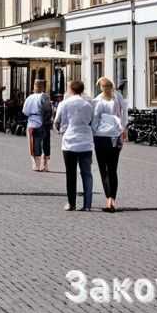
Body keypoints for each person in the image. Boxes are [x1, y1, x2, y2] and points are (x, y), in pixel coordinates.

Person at [54, 80, 95, 212]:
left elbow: (57, 121)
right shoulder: (88, 104)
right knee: (87, 173)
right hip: (86, 142)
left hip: (70, 143)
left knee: (71, 174)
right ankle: (87, 204)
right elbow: (92, 121)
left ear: (71, 89)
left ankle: (71, 203)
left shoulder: (64, 103)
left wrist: (60, 130)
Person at [91, 77, 127, 212]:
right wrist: (123, 130)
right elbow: (124, 116)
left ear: (101, 87)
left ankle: (108, 200)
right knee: (113, 169)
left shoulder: (98, 101)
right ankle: (113, 199)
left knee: (103, 169)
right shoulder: (118, 97)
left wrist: (93, 133)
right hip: (115, 136)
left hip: (101, 137)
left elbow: (95, 120)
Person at [21, 80, 51, 172]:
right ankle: (45, 164)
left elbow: (25, 111)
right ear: (43, 87)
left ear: (34, 86)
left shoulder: (29, 98)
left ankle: (35, 164)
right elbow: (48, 109)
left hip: (31, 122)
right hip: (42, 121)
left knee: (33, 143)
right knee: (45, 143)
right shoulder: (44, 96)